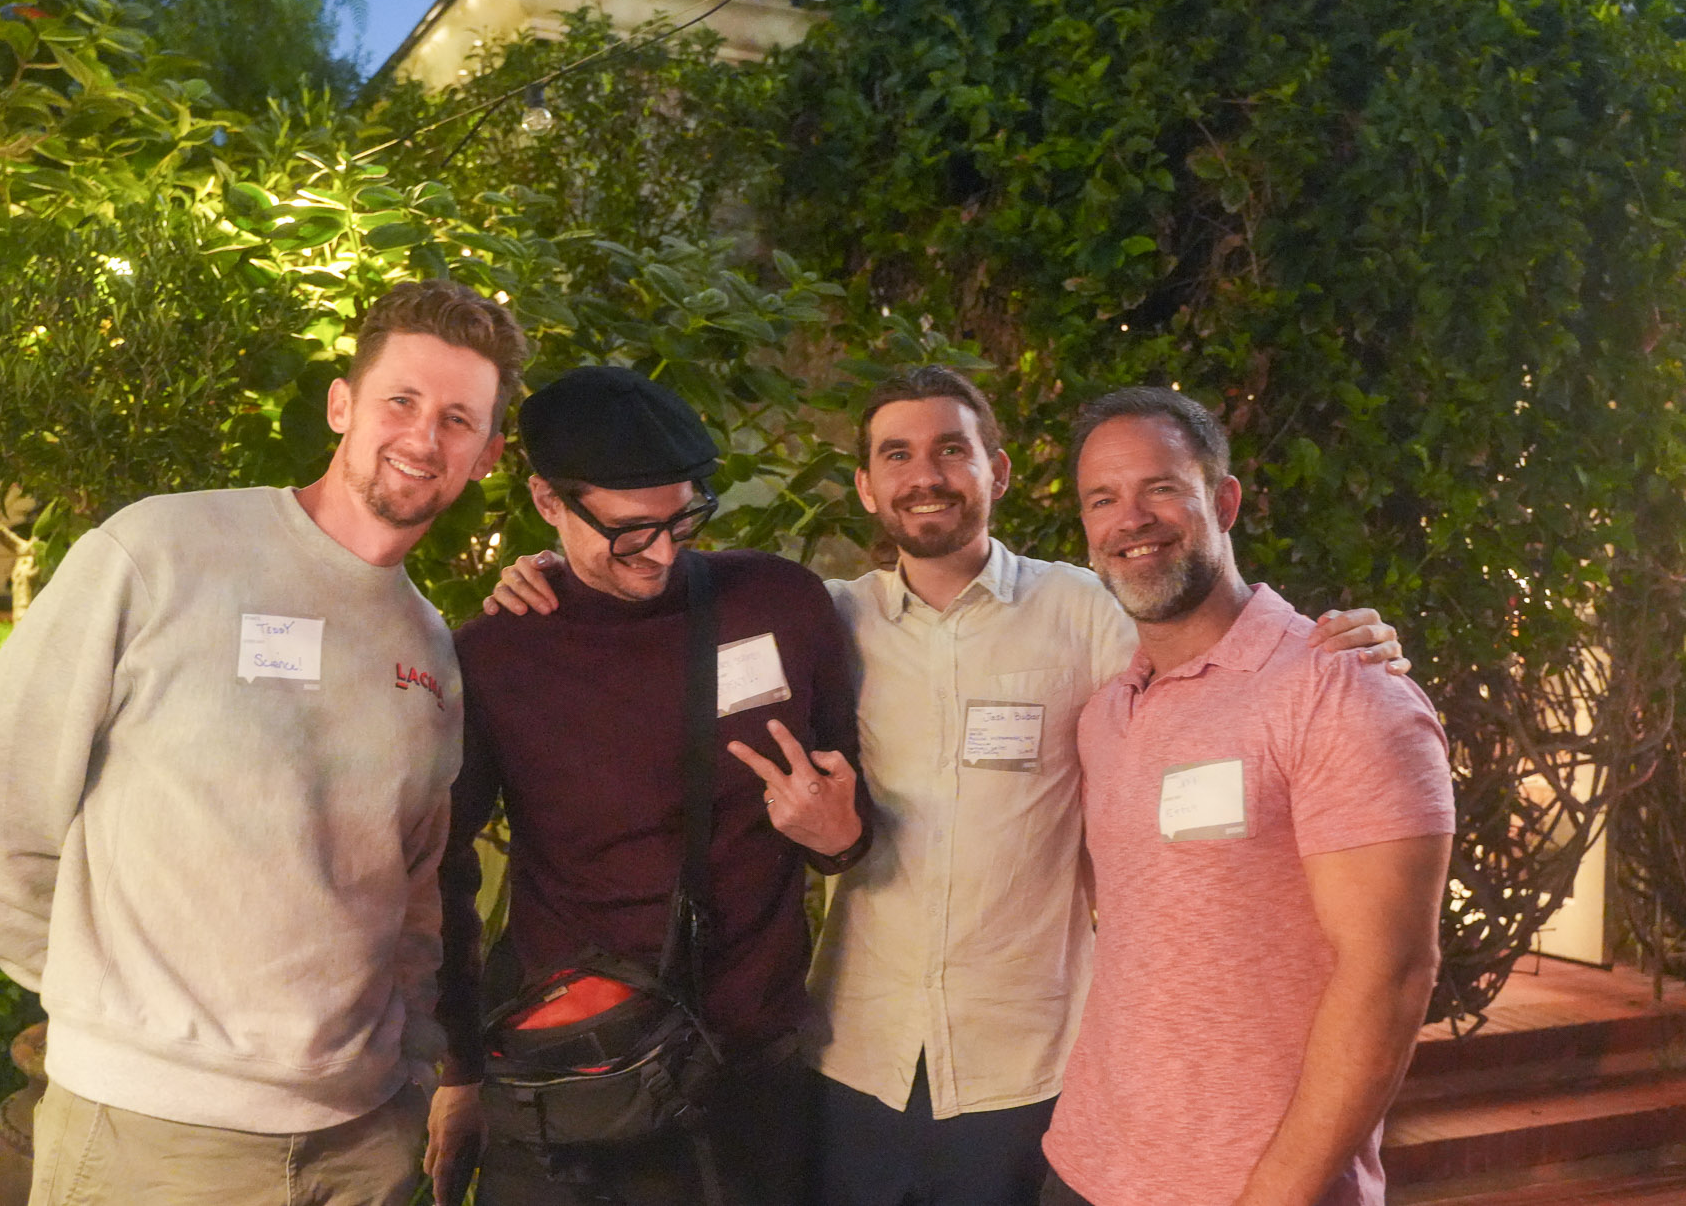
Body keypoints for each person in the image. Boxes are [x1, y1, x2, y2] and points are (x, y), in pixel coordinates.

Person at [483, 366, 1407, 1206]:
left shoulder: (1081, 611)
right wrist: (546, 573)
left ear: (996, 472)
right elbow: (653, 630)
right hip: (857, 1055)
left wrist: (1331, 643)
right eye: (896, 454)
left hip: (1027, 1061)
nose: (924, 474)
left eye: (950, 449)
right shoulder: (823, 616)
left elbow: (1205, 635)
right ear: (866, 486)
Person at [0, 280, 526, 1206]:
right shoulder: (159, 552)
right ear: (342, 403)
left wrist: (410, 1055)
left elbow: (416, 882)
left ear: (487, 454)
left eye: (459, 419)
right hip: (150, 1136)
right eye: (401, 400)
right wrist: (109, 1001)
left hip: (362, 1138)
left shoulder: (428, 650)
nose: (423, 437)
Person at [425, 365, 871, 1206]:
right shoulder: (497, 653)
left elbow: (852, 808)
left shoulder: (779, 602)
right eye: (630, 532)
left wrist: (842, 837)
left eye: (683, 519)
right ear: (549, 503)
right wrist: (459, 1069)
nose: (662, 553)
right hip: (570, 1081)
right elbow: (441, 868)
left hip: (745, 1080)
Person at [1040, 387, 1454, 1206]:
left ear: (1223, 501)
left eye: (1161, 487)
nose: (1133, 518)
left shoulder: (1339, 689)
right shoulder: (1107, 713)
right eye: (1104, 498)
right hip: (1085, 1165)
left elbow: (1393, 973)